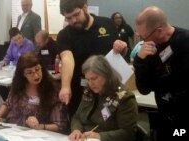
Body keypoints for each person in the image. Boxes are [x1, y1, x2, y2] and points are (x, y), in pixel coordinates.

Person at [57, 0, 128, 118]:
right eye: (68, 18)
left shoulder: (107, 24)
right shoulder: (65, 35)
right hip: (81, 91)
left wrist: (122, 47)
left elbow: (117, 53)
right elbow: (67, 59)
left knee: (106, 124)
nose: (73, 21)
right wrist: (65, 86)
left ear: (85, 7)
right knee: (80, 124)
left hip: (109, 90)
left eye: (76, 14)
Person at [134, 6, 189, 140]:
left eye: (144, 36)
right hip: (165, 115)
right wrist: (139, 61)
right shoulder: (149, 48)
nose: (142, 41)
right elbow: (144, 89)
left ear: (159, 30)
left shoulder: (185, 42)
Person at [0, 52, 68, 133]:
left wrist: (41, 126)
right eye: (29, 72)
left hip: (37, 134)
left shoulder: (53, 90)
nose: (36, 75)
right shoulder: (19, 86)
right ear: (23, 74)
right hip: (12, 130)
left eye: (37, 69)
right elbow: (8, 104)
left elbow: (59, 125)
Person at [69, 55, 138, 141]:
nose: (90, 84)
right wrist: (76, 129)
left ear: (106, 75)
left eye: (94, 78)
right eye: (88, 79)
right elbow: (77, 116)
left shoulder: (124, 97)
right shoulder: (89, 91)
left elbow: (128, 133)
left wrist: (99, 136)